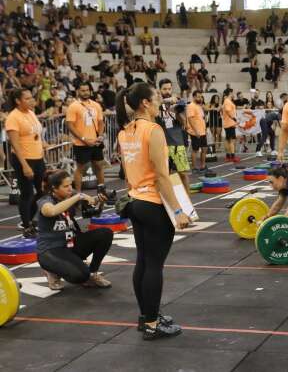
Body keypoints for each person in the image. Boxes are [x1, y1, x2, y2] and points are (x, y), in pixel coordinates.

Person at [116, 82, 189, 341]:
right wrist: (179, 210)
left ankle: (147, 315)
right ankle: (152, 323)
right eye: (156, 97)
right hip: (153, 204)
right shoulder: (154, 130)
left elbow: (127, 174)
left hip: (135, 203)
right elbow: (161, 176)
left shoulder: (125, 132)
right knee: (154, 265)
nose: (160, 101)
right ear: (145, 103)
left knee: (143, 261)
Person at [36, 170, 113, 291]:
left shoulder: (71, 196)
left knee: (105, 233)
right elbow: (51, 211)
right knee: (80, 276)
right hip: (50, 250)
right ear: (54, 189)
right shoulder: (45, 201)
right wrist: (78, 196)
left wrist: (100, 202)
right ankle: (51, 270)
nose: (70, 189)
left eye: (71, 185)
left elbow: (92, 213)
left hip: (70, 243)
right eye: (65, 186)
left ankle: (92, 273)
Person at [6, 89, 47, 238]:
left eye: (32, 98)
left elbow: (34, 133)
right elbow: (16, 145)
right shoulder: (13, 118)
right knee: (27, 193)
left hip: (38, 157)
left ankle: (28, 219)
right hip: (23, 159)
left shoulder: (30, 113)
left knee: (43, 191)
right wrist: (25, 165)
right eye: (28, 98)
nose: (32, 101)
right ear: (18, 101)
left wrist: (44, 144)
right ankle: (26, 225)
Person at [66, 82, 107, 195]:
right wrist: (84, 139)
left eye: (87, 90)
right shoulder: (73, 106)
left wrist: (100, 136)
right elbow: (70, 125)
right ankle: (78, 195)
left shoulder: (96, 105)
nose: (85, 92)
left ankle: (101, 190)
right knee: (80, 169)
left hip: (95, 143)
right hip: (81, 144)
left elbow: (100, 122)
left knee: (99, 166)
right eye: (83, 90)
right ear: (78, 91)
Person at [158, 79, 190, 191]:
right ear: (160, 90)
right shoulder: (156, 103)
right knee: (165, 175)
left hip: (177, 144)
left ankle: (188, 204)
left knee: (183, 174)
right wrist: (165, 101)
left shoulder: (177, 102)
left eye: (169, 88)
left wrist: (176, 111)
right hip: (161, 146)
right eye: (164, 89)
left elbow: (184, 123)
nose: (167, 91)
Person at [186, 90, 208, 173]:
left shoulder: (199, 106)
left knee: (204, 148)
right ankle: (194, 168)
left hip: (202, 131)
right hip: (195, 132)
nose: (200, 98)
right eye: (198, 96)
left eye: (201, 96)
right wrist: (196, 131)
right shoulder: (191, 106)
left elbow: (202, 118)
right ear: (194, 97)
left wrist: (205, 129)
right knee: (195, 150)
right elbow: (190, 119)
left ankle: (203, 166)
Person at [222, 88, 239, 163]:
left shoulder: (227, 101)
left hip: (229, 123)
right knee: (231, 140)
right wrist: (234, 118)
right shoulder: (227, 101)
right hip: (230, 123)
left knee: (229, 140)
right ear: (230, 93)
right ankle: (232, 156)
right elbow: (228, 110)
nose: (233, 94)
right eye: (232, 93)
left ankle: (229, 155)